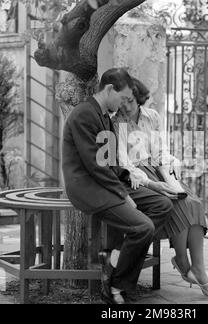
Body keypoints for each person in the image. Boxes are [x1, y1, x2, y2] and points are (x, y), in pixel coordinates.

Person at [62, 68, 174, 304]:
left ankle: (116, 257)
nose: (124, 104)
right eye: (123, 98)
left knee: (162, 204)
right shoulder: (85, 115)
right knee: (142, 227)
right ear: (109, 89)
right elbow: (96, 166)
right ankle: (115, 286)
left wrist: (138, 182)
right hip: (88, 188)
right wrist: (123, 195)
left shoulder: (103, 115)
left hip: (107, 182)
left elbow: (111, 161)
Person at [112, 77, 208, 298]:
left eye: (131, 101)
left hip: (158, 171)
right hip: (138, 177)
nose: (126, 106)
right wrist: (150, 182)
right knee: (177, 203)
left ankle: (195, 267)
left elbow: (160, 152)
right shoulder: (117, 122)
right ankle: (185, 264)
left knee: (194, 203)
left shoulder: (152, 117)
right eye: (123, 101)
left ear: (139, 98)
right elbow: (124, 161)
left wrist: (169, 173)